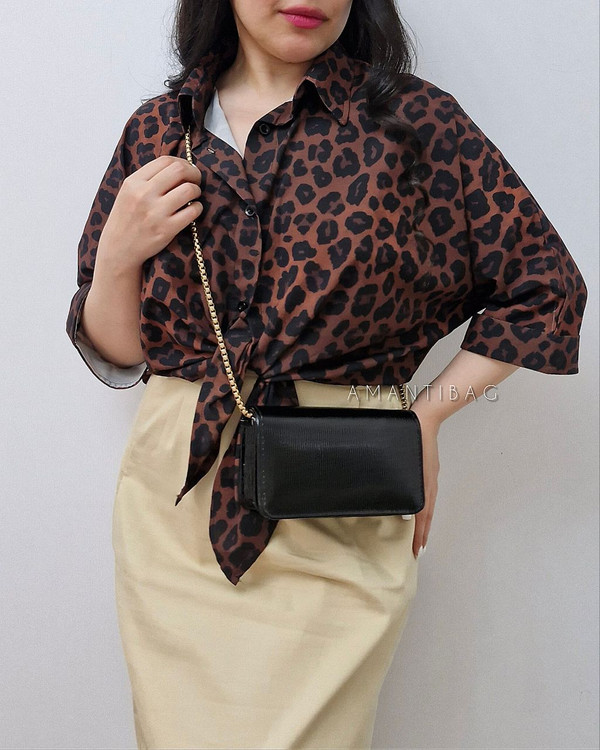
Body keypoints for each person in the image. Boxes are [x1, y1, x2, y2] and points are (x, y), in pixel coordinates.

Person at [65, 1, 588, 747]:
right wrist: (119, 251)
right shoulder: (159, 129)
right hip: (177, 504)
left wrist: (427, 416)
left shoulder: (414, 124)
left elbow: (546, 287)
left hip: (342, 495)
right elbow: (120, 351)